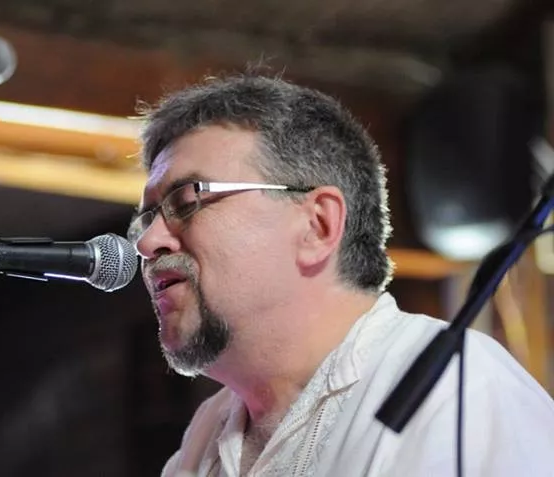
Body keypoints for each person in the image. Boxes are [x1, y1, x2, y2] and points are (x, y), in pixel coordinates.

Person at [126, 72, 554, 476]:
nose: (148, 242)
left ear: (318, 226)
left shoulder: (456, 390)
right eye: (147, 218)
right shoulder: (206, 436)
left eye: (187, 200)